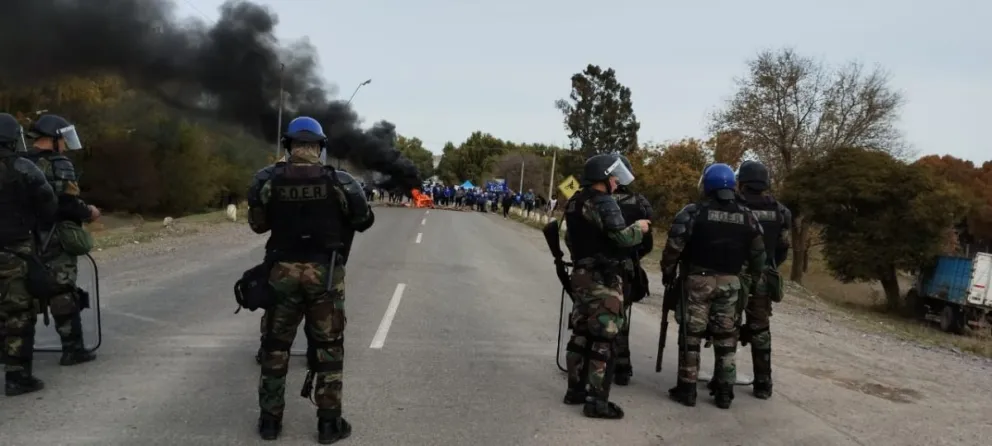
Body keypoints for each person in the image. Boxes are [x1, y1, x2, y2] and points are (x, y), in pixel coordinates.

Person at [248, 116, 374, 443]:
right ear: (320, 147)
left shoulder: (268, 180)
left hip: (282, 275)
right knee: (329, 348)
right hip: (325, 276)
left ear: (288, 146)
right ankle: (329, 425)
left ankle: (269, 423)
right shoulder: (340, 182)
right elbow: (364, 220)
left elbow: (258, 225)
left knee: (275, 347)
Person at [660, 163, 765, 409]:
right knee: (727, 337)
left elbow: (674, 246)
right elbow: (759, 254)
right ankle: (725, 392)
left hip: (698, 282)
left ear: (707, 185)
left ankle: (687, 389)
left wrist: (668, 272)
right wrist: (751, 278)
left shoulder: (693, 212)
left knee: (691, 336)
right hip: (731, 283)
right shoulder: (747, 215)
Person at [562, 153, 650, 420]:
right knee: (603, 337)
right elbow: (621, 238)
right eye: (613, 176)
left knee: (580, 332)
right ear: (603, 177)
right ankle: (596, 401)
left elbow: (569, 238)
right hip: (604, 277)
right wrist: (640, 228)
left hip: (581, 274)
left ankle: (575, 390)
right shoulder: (604, 202)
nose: (616, 181)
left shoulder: (576, 200)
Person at [23, 114, 101, 366]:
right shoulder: (60, 164)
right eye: (63, 139)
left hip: (22, 239)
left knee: (20, 295)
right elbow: (67, 204)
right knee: (62, 291)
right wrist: (88, 212)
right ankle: (72, 349)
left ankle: (15, 352)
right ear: (53, 139)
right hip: (54, 238)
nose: (66, 144)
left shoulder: (19, 162)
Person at [0, 112, 59, 396]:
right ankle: (17, 376)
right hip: (15, 251)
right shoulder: (23, 167)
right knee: (18, 313)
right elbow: (48, 205)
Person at [734, 160, 790, 399]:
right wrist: (768, 265)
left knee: (726, 326)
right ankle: (763, 384)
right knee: (761, 330)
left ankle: (723, 378)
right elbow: (783, 248)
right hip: (763, 277)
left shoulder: (735, 206)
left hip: (734, 275)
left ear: (742, 183)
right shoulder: (781, 211)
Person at [610, 155, 654, 386]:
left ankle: (587, 363)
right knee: (620, 316)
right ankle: (621, 367)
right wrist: (633, 258)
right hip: (626, 266)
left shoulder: (593, 198)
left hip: (592, 267)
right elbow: (648, 243)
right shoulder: (640, 202)